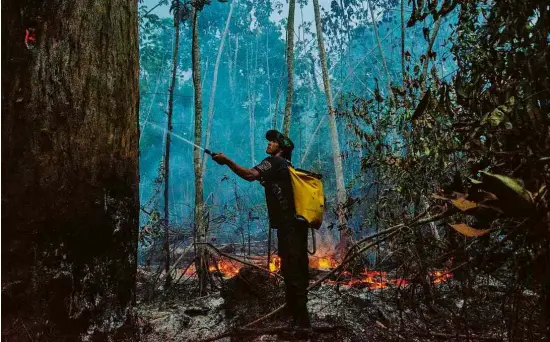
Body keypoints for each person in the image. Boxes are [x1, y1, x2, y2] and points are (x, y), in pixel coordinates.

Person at [212, 129, 311, 328]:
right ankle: (296, 316)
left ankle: (302, 324)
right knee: (297, 268)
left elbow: (249, 175)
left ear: (280, 148)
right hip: (298, 225)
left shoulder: (274, 162)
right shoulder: (287, 166)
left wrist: (227, 161)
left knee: (291, 271)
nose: (268, 144)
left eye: (273, 141)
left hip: (288, 226)